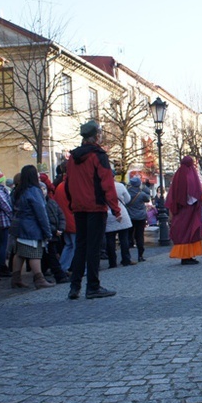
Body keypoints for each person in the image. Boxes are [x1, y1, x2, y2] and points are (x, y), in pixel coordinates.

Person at [65, 120, 122, 300]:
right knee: (94, 247)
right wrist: (116, 209)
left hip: (79, 206)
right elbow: (107, 184)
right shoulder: (98, 156)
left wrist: (72, 202)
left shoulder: (73, 158)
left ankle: (74, 287)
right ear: (96, 135)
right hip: (95, 206)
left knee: (80, 246)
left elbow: (68, 184)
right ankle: (93, 286)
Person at [9, 166, 55, 290]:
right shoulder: (34, 190)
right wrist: (47, 231)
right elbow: (40, 212)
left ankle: (16, 279)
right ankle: (39, 279)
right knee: (34, 253)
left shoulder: (18, 191)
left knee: (20, 253)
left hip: (19, 225)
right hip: (31, 226)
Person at [166, 156, 202, 265]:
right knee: (190, 232)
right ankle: (188, 256)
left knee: (182, 232)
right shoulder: (191, 175)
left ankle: (185, 255)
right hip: (190, 210)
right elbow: (194, 193)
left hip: (179, 210)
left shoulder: (178, 175)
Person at [41, 181, 70, 284]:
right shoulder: (41, 204)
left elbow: (60, 215)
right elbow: (44, 219)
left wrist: (61, 228)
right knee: (50, 255)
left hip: (56, 232)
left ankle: (55, 273)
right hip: (49, 233)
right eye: (41, 189)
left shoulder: (52, 202)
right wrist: (54, 230)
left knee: (51, 254)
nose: (43, 191)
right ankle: (59, 275)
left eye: (44, 189)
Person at [104, 180, 135, 268]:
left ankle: (112, 262)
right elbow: (127, 199)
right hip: (121, 213)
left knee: (110, 240)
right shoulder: (120, 186)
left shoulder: (100, 186)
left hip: (108, 215)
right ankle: (126, 259)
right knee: (124, 239)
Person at [53, 171, 76, 273]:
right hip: (73, 220)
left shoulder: (60, 186)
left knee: (69, 245)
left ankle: (63, 267)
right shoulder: (71, 186)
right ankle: (80, 268)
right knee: (77, 245)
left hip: (64, 221)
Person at [127, 176, 151, 262]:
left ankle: (127, 256)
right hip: (140, 217)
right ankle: (140, 255)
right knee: (139, 235)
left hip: (130, 216)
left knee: (128, 235)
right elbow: (147, 199)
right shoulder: (141, 194)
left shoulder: (127, 192)